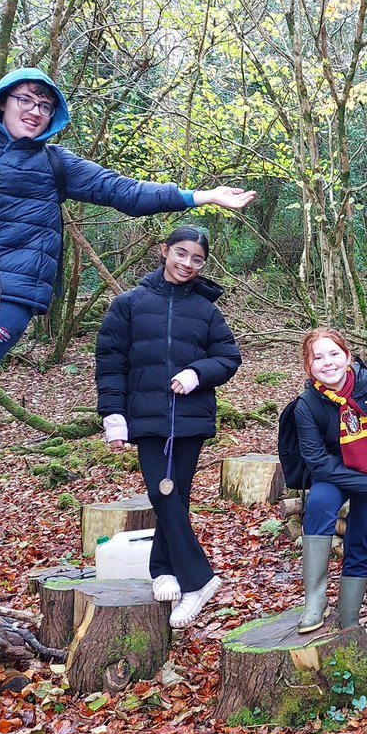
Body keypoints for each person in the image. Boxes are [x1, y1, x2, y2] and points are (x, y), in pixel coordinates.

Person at [0, 67, 253, 484]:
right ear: (3, 102)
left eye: (45, 106)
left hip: (6, 296)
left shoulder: (56, 163)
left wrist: (199, 196)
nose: (35, 111)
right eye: (25, 100)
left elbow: (126, 193)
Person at [95, 226, 241, 629]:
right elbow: (110, 364)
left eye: (197, 259)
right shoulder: (128, 304)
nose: (187, 264)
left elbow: (229, 357)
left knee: (175, 498)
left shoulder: (207, 311)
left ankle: (163, 569)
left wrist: (198, 372)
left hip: (190, 420)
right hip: (146, 419)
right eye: (181, 253)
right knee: (164, 494)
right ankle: (199, 579)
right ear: (164, 251)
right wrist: (114, 417)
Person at [292, 328, 367, 634]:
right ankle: (315, 603)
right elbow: (318, 462)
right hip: (334, 471)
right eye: (317, 357)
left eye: (334, 354)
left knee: (360, 535)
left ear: (347, 356)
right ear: (308, 366)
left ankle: (348, 616)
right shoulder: (307, 404)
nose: (327, 362)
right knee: (319, 505)